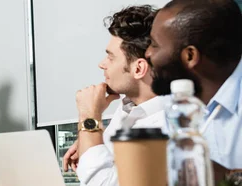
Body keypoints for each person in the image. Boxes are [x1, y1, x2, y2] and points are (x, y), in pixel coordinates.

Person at [63, 5, 164, 185]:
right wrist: (89, 139)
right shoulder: (129, 107)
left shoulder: (164, 128)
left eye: (111, 57)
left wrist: (88, 116)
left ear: (138, 68)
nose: (102, 64)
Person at [145, 0, 242, 182]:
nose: (147, 54)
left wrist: (226, 177)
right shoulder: (173, 106)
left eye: (154, 44)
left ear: (190, 56)